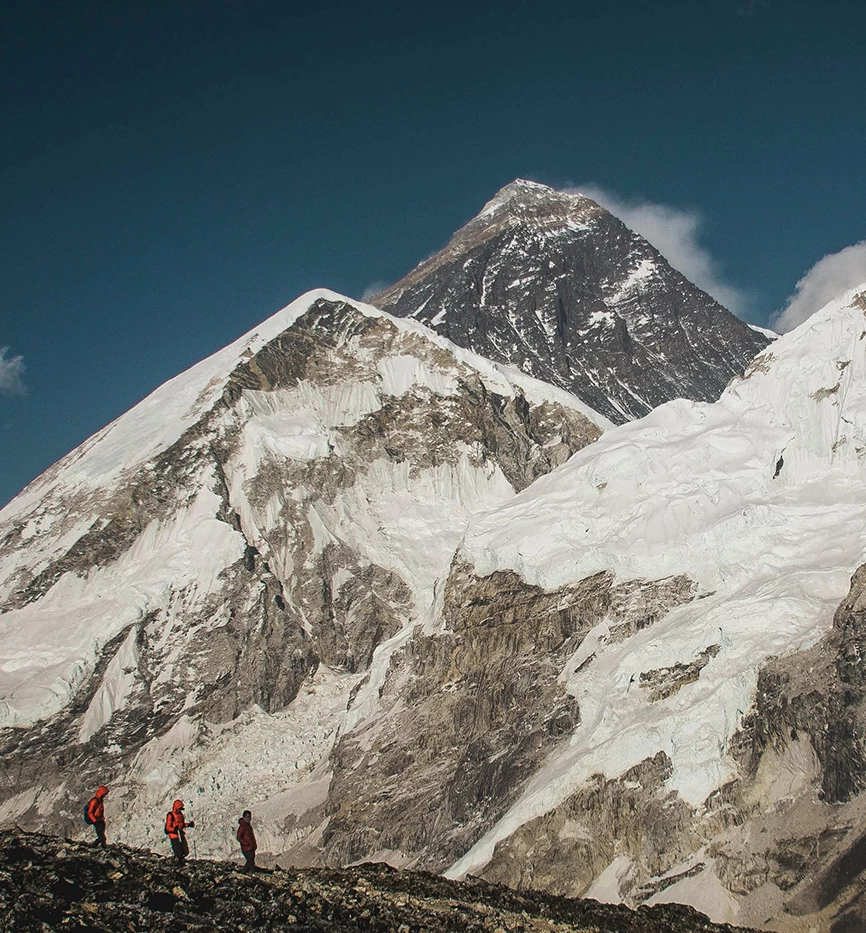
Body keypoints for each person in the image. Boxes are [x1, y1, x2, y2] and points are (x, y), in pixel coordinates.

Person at [165, 799, 195, 865]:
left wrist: (188, 825)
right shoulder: (170, 815)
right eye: (179, 808)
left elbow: (181, 824)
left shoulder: (180, 815)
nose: (180, 810)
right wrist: (174, 829)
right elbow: (168, 828)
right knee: (179, 851)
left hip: (180, 834)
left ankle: (180, 861)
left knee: (185, 850)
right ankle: (179, 863)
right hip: (174, 836)